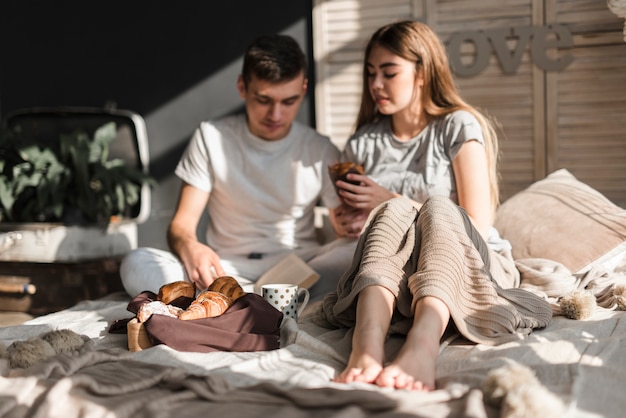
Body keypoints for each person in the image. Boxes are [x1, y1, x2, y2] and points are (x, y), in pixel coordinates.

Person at [318, 20, 552, 391]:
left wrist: (389, 198)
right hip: (392, 275)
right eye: (370, 74)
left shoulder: (457, 127)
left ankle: (422, 345)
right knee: (392, 215)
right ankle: (367, 343)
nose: (376, 84)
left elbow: (476, 220)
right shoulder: (363, 142)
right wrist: (347, 222)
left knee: (436, 207)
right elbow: (358, 226)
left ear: (423, 72)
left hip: (461, 261)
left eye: (389, 73)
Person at [120, 34, 357, 302]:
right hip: (225, 270)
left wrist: (348, 225)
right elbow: (181, 225)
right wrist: (190, 246)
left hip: (300, 268)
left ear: (303, 89)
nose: (276, 115)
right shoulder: (211, 137)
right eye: (264, 100)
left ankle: (229, 306)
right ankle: (254, 303)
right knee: (136, 261)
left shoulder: (321, 149)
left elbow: (343, 226)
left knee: (359, 250)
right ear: (242, 87)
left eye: (288, 101)